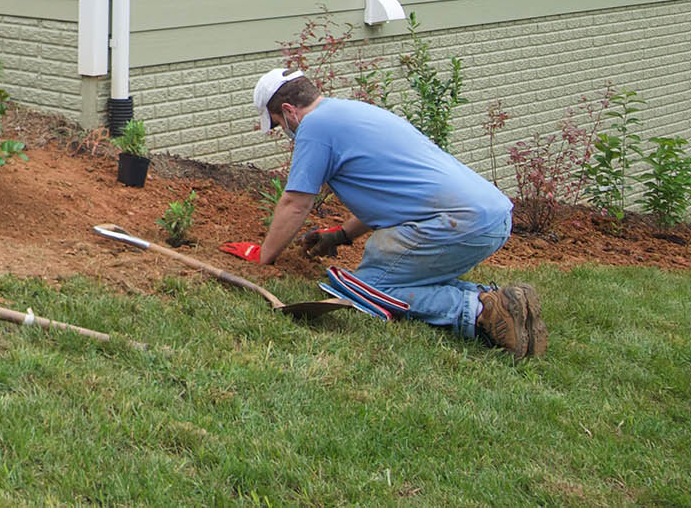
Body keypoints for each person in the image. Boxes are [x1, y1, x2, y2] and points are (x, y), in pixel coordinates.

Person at [222, 66, 544, 358]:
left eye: (278, 124)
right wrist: (341, 234)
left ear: (289, 111)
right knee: (408, 278)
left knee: (365, 288)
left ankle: (477, 312)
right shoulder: (352, 112)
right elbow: (394, 195)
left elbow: (296, 202)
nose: (283, 131)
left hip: (458, 224)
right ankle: (506, 302)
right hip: (492, 217)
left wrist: (264, 257)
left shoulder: (315, 127)